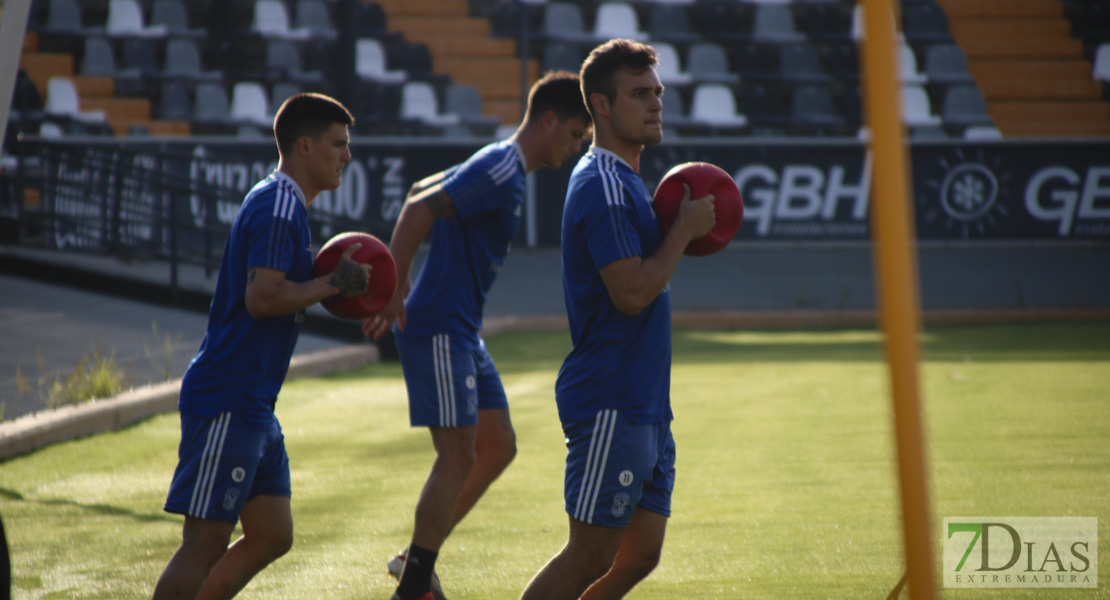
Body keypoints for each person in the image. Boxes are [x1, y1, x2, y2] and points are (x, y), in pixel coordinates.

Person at [361, 71, 591, 600]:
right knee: (459, 455)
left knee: (498, 446)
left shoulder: (502, 164)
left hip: (462, 332)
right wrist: (394, 287)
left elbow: (421, 190)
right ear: (549, 120)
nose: (578, 146)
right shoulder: (500, 169)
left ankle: (413, 560)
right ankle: (415, 583)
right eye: (576, 134)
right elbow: (420, 207)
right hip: (440, 328)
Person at [518, 39, 716, 600]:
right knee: (588, 556)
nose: (655, 104)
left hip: (647, 403)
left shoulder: (629, 182)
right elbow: (630, 294)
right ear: (601, 106)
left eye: (657, 92)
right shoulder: (603, 182)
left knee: (639, 556)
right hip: (611, 399)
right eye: (638, 93)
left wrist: (679, 228)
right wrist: (682, 230)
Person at [152, 93, 370, 600]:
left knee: (273, 534)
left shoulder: (285, 202)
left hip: (253, 403)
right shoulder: (279, 205)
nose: (347, 155)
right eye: (338, 143)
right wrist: (334, 284)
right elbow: (263, 297)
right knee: (204, 543)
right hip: (229, 395)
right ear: (304, 146)